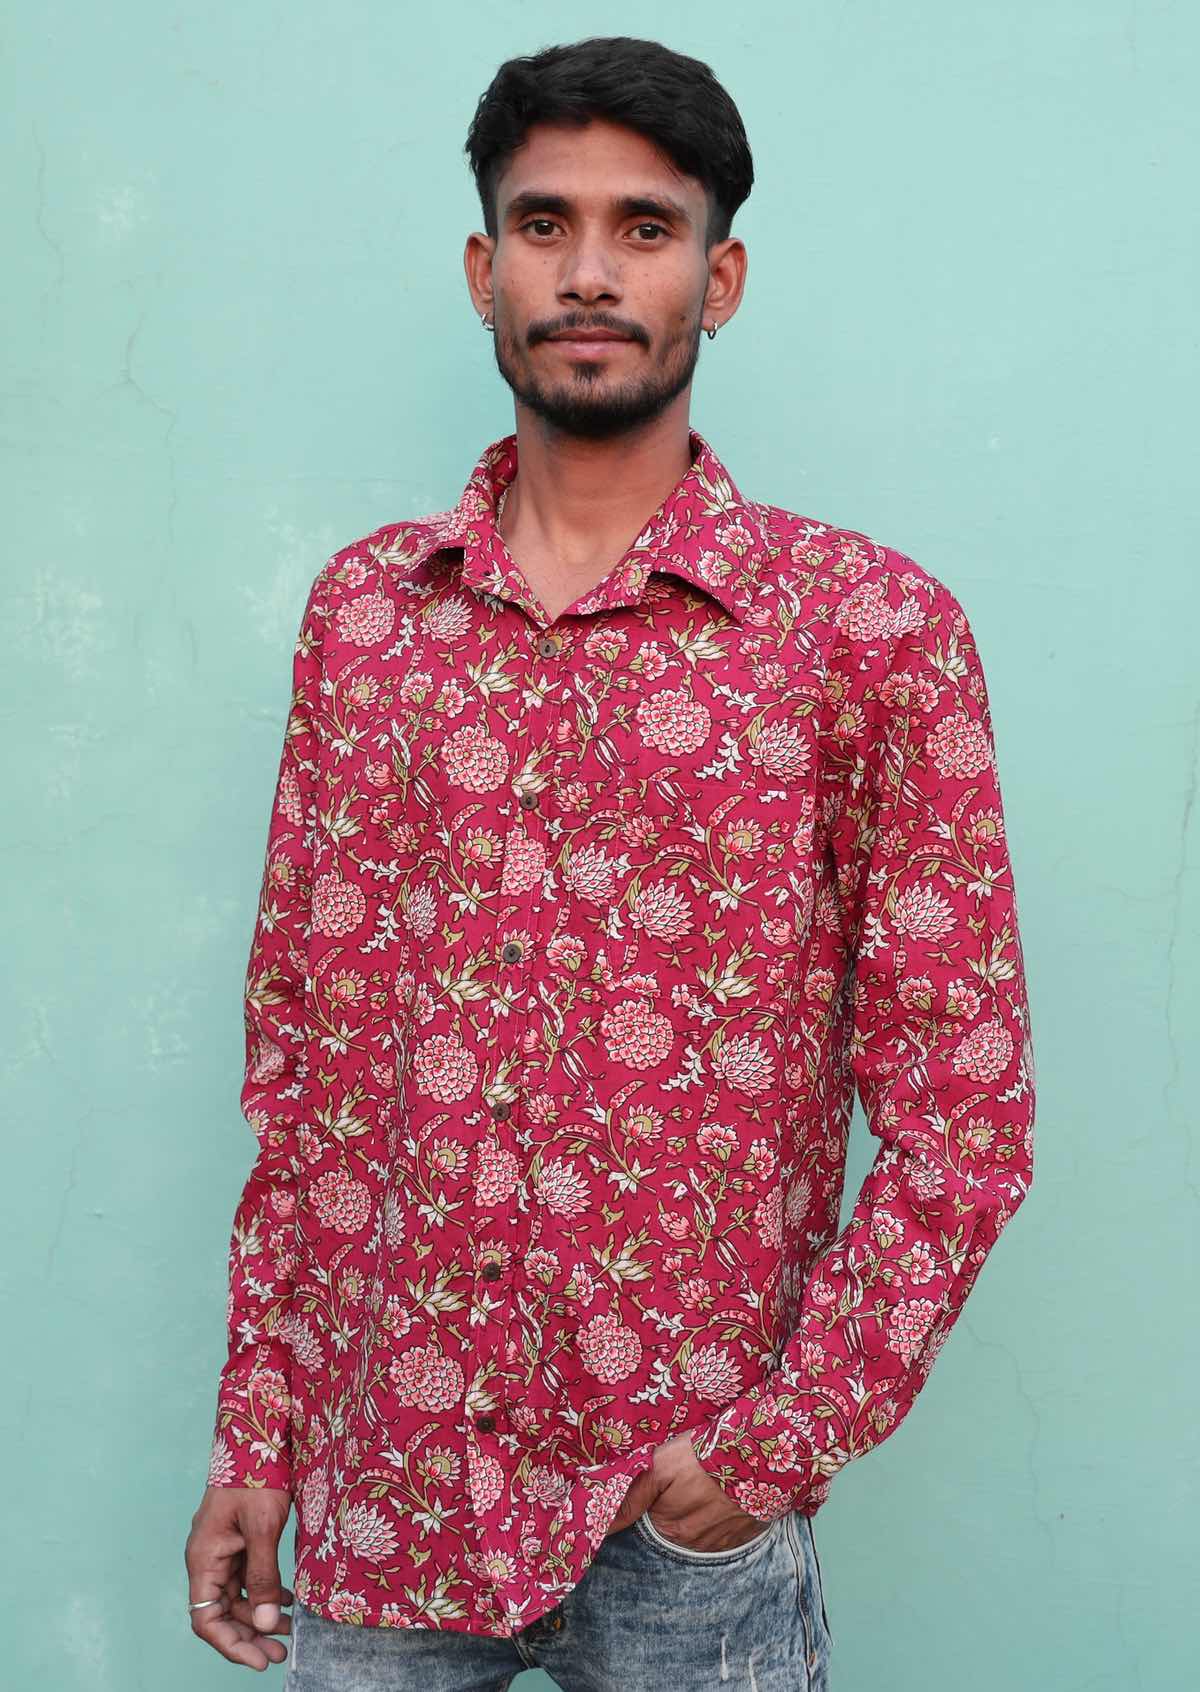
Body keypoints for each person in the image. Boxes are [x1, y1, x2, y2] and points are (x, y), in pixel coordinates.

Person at [185, 34, 1036, 1689]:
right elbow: (308, 1073)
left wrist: (785, 1441)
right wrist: (258, 1433)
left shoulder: (869, 634)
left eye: (643, 230)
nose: (589, 272)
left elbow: (965, 1103)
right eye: (545, 223)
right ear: (481, 268)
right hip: (387, 1496)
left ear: (717, 282)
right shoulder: (367, 621)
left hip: (684, 1522)